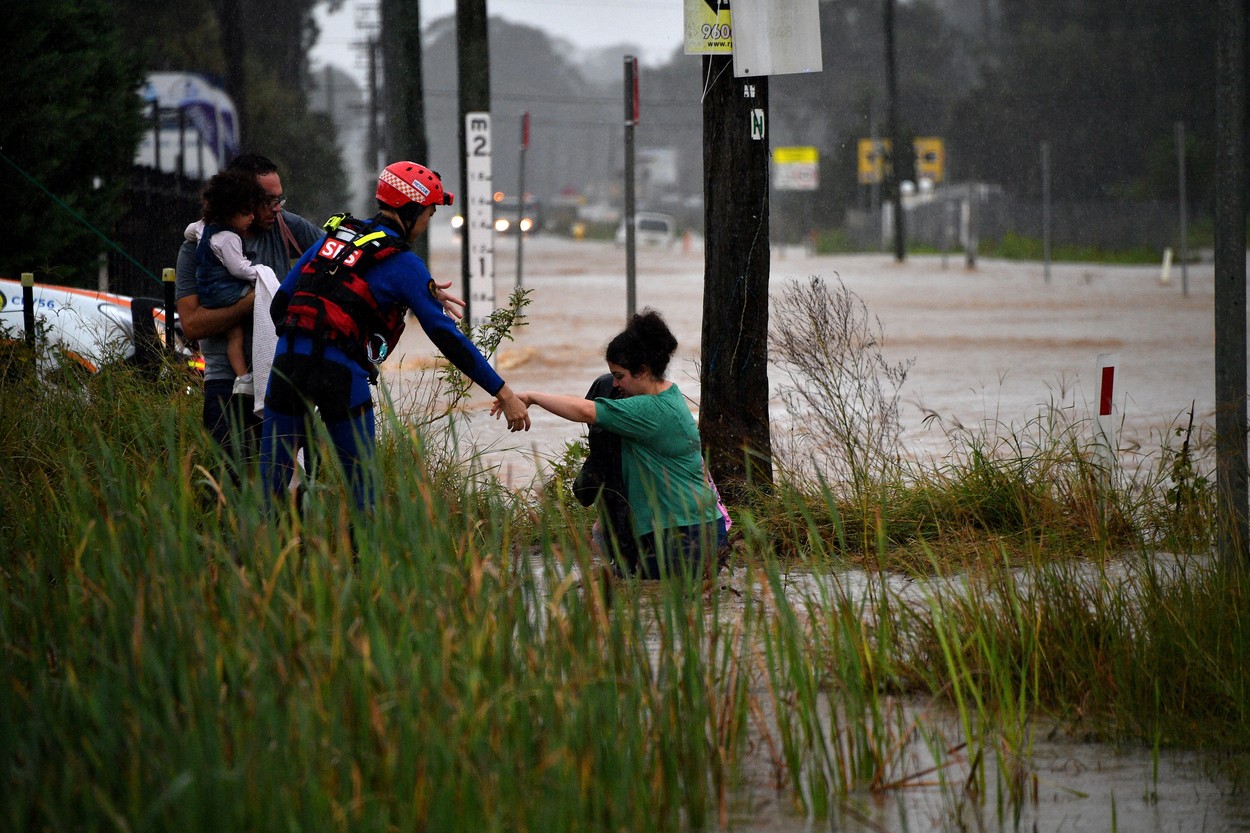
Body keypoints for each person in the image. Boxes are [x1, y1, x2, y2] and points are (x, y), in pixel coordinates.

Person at [262, 160, 531, 514]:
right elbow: (446, 336)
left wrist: (305, 349)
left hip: (287, 367)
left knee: (269, 488)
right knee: (364, 495)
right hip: (340, 376)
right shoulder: (404, 263)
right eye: (429, 214)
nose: (425, 223)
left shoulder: (335, 238)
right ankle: (363, 566)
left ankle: (259, 562)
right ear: (413, 209)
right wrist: (503, 391)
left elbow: (279, 305)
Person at [497, 309, 727, 580]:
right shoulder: (669, 395)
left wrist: (530, 396)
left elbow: (585, 411)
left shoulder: (650, 410)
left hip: (683, 536)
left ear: (642, 371)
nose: (615, 384)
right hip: (698, 529)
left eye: (619, 376)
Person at [175, 153, 322, 464]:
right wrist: (254, 303)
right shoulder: (197, 248)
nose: (277, 208)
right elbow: (192, 325)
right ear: (243, 197)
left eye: (280, 198)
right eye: (268, 201)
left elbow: (339, 254)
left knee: (296, 489)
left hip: (284, 380)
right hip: (226, 387)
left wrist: (421, 288)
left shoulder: (284, 226)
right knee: (229, 486)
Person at [184, 169, 269, 396]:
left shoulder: (203, 228)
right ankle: (246, 376)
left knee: (233, 334)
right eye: (245, 213)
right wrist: (259, 273)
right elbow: (237, 268)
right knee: (258, 306)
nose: (251, 217)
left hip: (208, 291)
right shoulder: (229, 238)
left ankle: (243, 377)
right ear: (229, 213)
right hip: (225, 291)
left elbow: (188, 232)